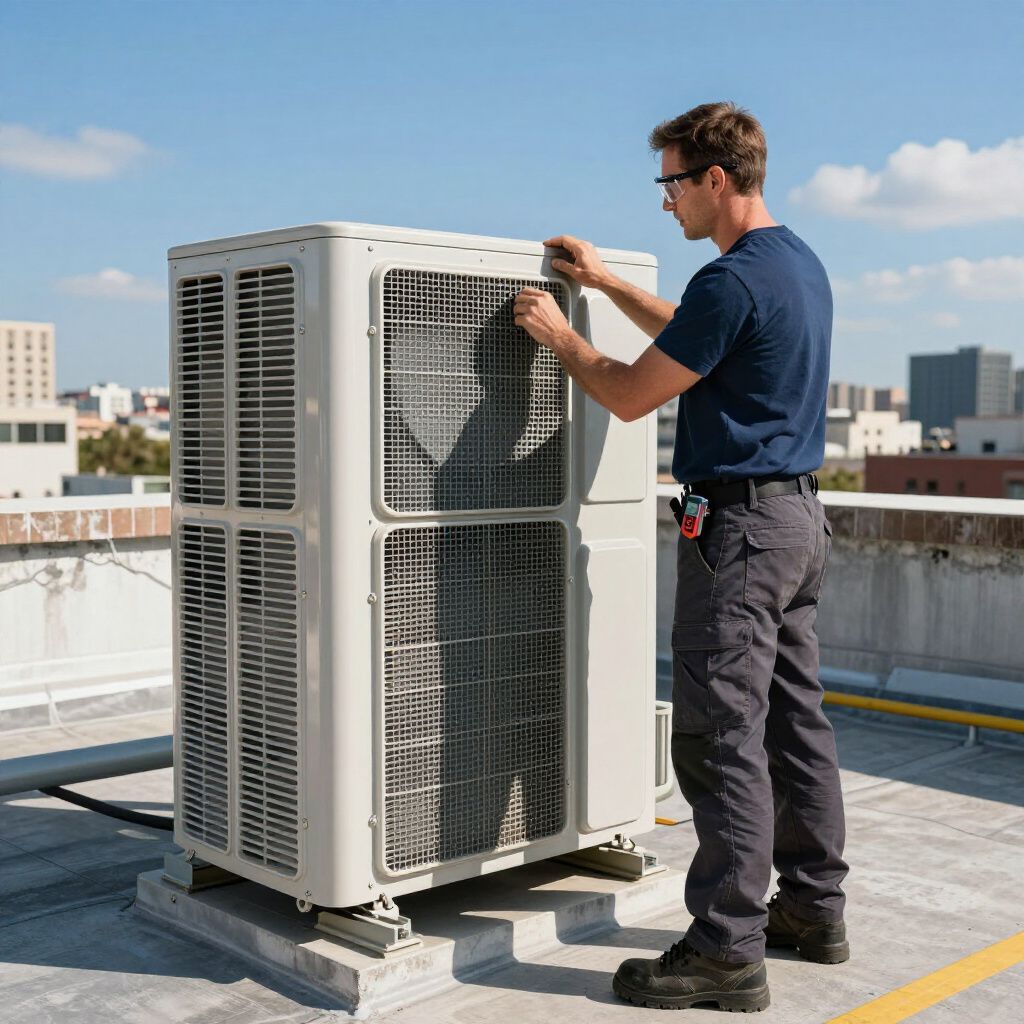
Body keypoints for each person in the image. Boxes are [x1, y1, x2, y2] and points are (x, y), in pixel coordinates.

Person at [514, 101, 849, 1013]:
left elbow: (628, 394)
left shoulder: (732, 281)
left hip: (738, 537)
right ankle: (814, 911)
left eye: (670, 181)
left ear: (714, 179)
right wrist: (610, 283)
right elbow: (702, 332)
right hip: (798, 527)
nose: (664, 200)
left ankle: (726, 951)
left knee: (718, 737)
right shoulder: (791, 265)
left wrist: (562, 338)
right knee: (794, 724)